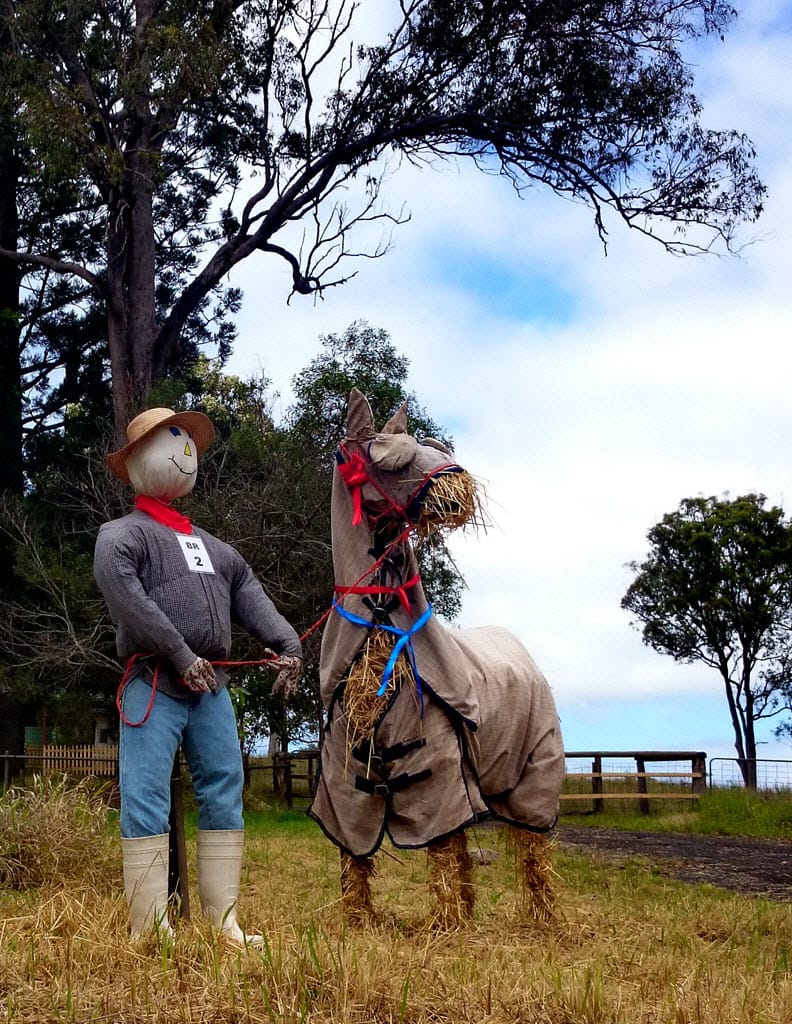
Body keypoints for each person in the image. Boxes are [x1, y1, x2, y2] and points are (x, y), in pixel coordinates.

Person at [94, 407, 302, 945]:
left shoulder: (218, 550)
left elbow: (251, 596)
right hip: (153, 682)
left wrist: (288, 644)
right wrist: (181, 654)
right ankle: (150, 927)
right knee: (143, 795)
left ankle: (222, 919)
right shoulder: (119, 537)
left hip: (212, 691)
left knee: (226, 787)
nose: (185, 449)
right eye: (172, 438)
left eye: (189, 440)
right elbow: (129, 601)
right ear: (136, 460)